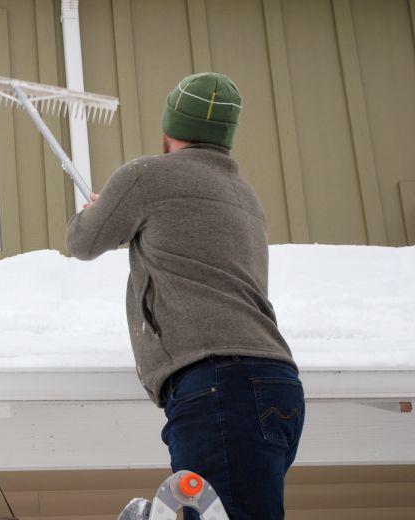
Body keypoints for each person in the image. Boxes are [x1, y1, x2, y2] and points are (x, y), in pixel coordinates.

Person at [66, 72, 305, 520]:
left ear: (169, 126)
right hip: (279, 388)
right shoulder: (245, 196)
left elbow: (83, 241)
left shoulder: (145, 176)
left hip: (219, 386)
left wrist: (99, 212)